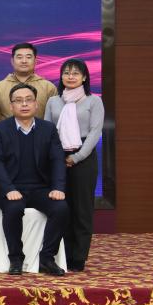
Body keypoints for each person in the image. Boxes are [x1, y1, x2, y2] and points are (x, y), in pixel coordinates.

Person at [0, 83, 68, 276]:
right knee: (14, 208)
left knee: (61, 208)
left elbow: (58, 160)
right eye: (18, 101)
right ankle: (16, 258)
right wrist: (8, 189)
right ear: (11, 106)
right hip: (11, 188)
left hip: (40, 188)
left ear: (36, 104)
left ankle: (47, 257)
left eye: (28, 100)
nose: (24, 104)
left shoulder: (48, 129)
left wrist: (58, 187)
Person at [44, 59, 104, 272]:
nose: (70, 76)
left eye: (76, 73)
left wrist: (77, 157)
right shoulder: (53, 101)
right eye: (66, 72)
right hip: (57, 157)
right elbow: (48, 131)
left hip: (83, 158)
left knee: (81, 209)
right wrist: (56, 158)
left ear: (84, 77)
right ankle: (62, 254)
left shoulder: (93, 101)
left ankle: (78, 256)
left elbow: (95, 132)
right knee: (61, 207)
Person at [0, 42, 58, 122]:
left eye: (28, 57)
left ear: (35, 61)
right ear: (12, 61)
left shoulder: (49, 87)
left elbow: (54, 118)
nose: (24, 61)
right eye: (19, 57)